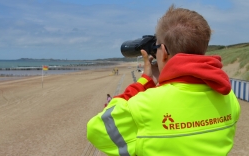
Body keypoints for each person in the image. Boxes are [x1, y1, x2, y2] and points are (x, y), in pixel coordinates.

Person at [87, 5, 240, 156]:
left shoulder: (143, 106)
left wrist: (144, 82)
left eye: (157, 47)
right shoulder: (228, 97)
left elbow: (96, 129)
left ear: (164, 52)